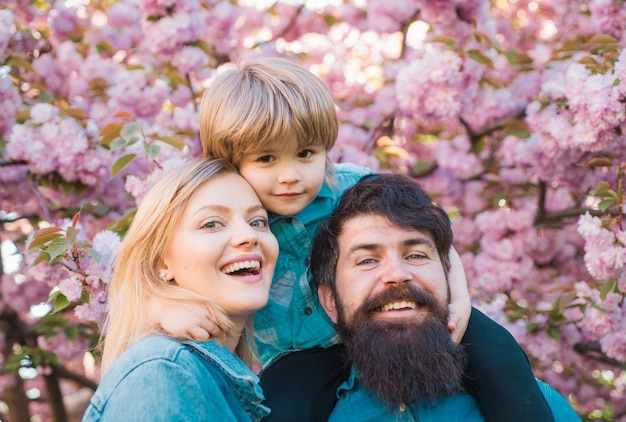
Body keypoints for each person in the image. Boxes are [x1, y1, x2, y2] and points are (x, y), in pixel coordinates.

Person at [154, 57, 555, 421]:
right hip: (302, 353)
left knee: (500, 357)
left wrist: (460, 296)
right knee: (283, 407)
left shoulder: (352, 185)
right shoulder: (227, 221)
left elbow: (430, 230)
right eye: (266, 159)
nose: (291, 175)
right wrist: (170, 309)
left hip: (394, 316)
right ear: (230, 160)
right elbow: (172, 263)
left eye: (306, 154)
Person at [312, 173, 581, 421]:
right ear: (330, 302)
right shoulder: (296, 410)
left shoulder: (540, 406)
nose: (397, 274)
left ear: (450, 281)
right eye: (367, 260)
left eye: (416, 255)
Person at [82, 157, 278, 421]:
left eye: (258, 222)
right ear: (161, 261)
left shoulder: (212, 379)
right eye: (211, 223)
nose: (249, 235)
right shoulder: (161, 371)